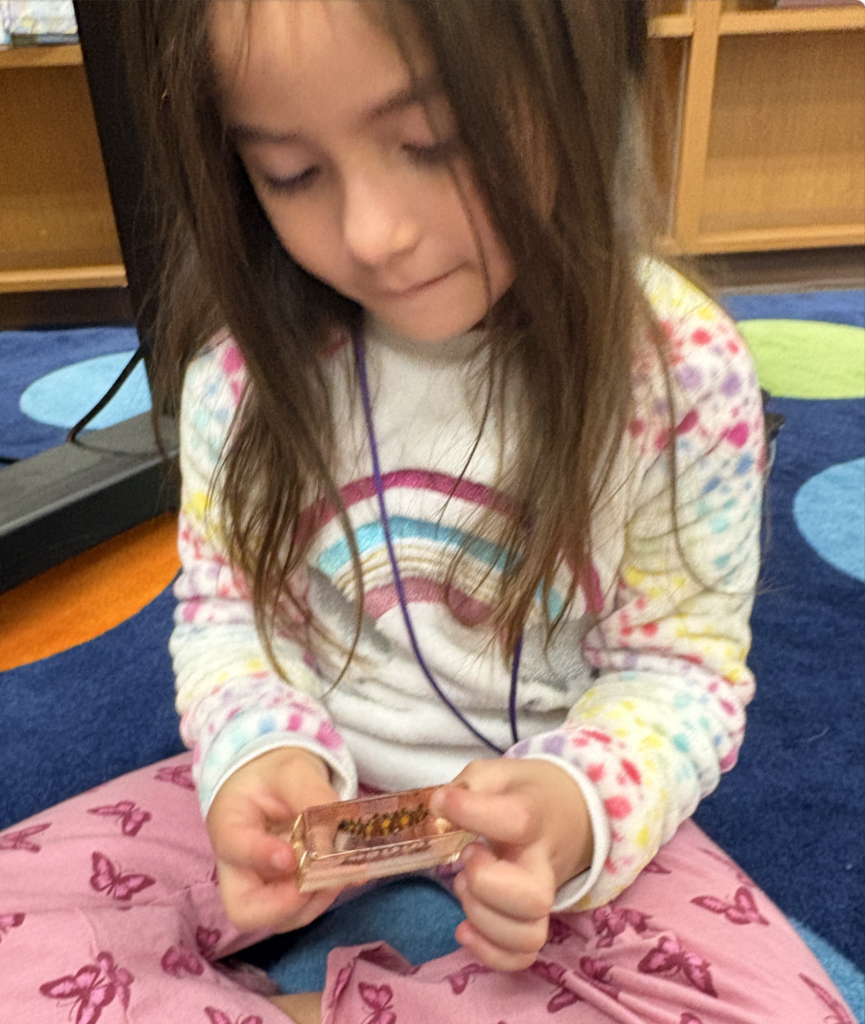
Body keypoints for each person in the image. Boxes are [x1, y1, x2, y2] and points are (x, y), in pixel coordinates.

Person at [0, 3, 855, 1023]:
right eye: (291, 172)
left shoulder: (676, 374)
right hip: (314, 787)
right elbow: (225, 619)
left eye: (432, 142)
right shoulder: (242, 378)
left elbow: (679, 674)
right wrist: (258, 752)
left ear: (576, 79)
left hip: (542, 792)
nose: (374, 234)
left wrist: (572, 809)